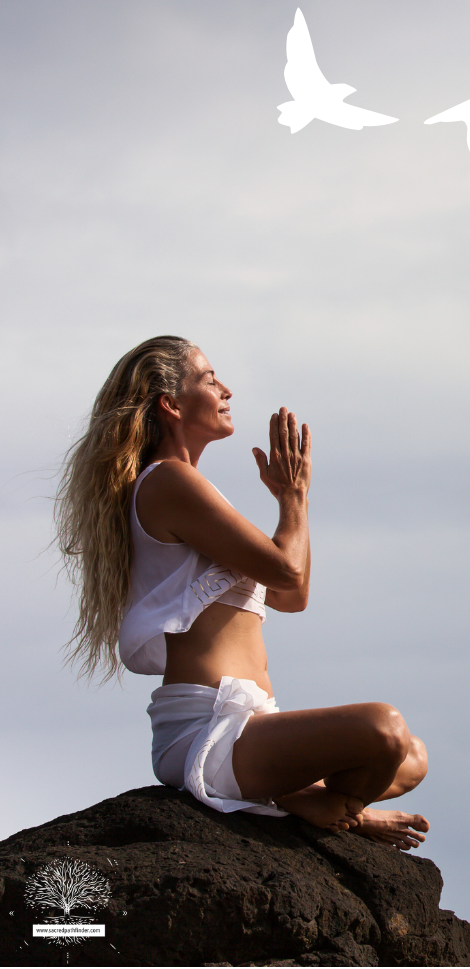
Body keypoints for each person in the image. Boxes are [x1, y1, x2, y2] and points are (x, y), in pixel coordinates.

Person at [55, 335, 429, 849]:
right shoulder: (168, 481)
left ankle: (308, 800)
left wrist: (288, 499)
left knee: (412, 756)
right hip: (207, 728)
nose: (226, 389)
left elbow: (291, 596)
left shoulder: (189, 487)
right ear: (171, 404)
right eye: (210, 380)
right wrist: (294, 498)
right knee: (382, 729)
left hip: (254, 724)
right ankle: (325, 809)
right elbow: (288, 574)